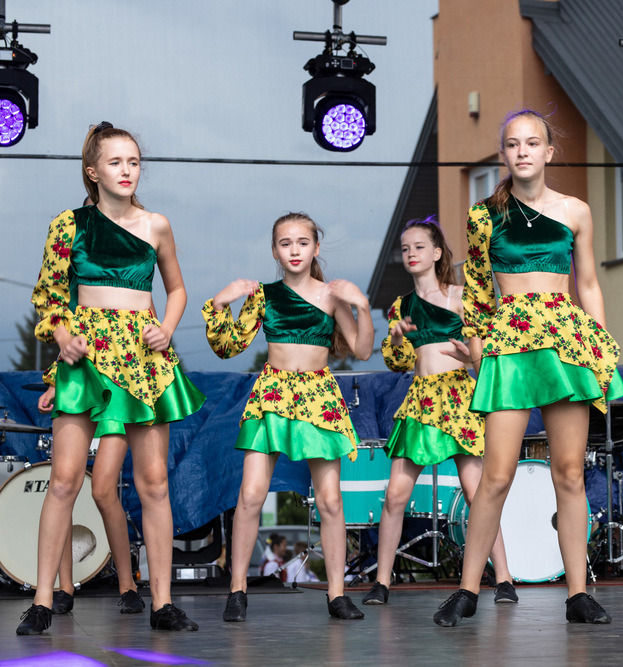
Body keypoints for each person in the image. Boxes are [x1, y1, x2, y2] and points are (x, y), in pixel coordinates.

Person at [433, 109, 623, 627]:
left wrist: (602, 348)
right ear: (504, 154)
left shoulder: (576, 210)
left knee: (570, 472)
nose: (523, 151)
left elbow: (589, 284)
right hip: (509, 343)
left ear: (548, 152)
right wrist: (477, 350)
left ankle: (578, 594)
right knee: (496, 475)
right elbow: (477, 291)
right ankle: (467, 590)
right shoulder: (483, 216)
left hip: (566, 343)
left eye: (532, 142)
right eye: (513, 144)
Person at [21, 121, 206, 635]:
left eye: (134, 162)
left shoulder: (156, 225)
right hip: (86, 356)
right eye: (115, 162)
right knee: (64, 480)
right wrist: (62, 337)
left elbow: (177, 290)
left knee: (154, 482)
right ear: (92, 171)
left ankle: (162, 603)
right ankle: (42, 601)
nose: (127, 170)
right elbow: (48, 296)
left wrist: (168, 329)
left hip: (144, 357)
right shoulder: (69, 225)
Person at [203, 212, 375, 622]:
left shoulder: (332, 295)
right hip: (273, 394)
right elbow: (227, 347)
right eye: (285, 243)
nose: (294, 250)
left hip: (318, 397)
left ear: (316, 248)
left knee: (330, 500)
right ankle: (237, 590)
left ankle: (337, 594)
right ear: (274, 251)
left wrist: (363, 306)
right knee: (250, 495)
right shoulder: (264, 295)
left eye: (302, 242)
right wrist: (221, 302)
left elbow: (363, 350)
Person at [361, 216, 515, 606]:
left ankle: (504, 578)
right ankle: (381, 582)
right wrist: (398, 339)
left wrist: (470, 358)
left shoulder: (462, 297)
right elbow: (397, 363)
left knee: (477, 492)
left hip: (459, 395)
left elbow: (489, 355)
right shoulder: (402, 307)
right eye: (405, 248)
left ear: (436, 252)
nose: (411, 253)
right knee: (395, 496)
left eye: (419, 247)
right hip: (421, 399)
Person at [38, 372, 145, 616]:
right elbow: (70, 346)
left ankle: (128, 585)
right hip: (80, 385)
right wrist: (55, 382)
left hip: (118, 386)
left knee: (103, 491)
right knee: (64, 489)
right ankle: (65, 587)